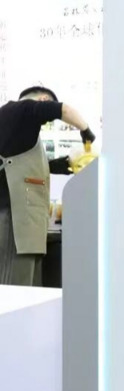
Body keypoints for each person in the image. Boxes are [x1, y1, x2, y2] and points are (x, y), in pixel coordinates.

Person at [0, 86, 94, 286]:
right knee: (14, 290)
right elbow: (64, 110)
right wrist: (85, 130)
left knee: (28, 293)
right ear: (43, 100)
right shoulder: (22, 109)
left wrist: (60, 165)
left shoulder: (17, 125)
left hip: (26, 229)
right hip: (14, 225)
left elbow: (24, 167)